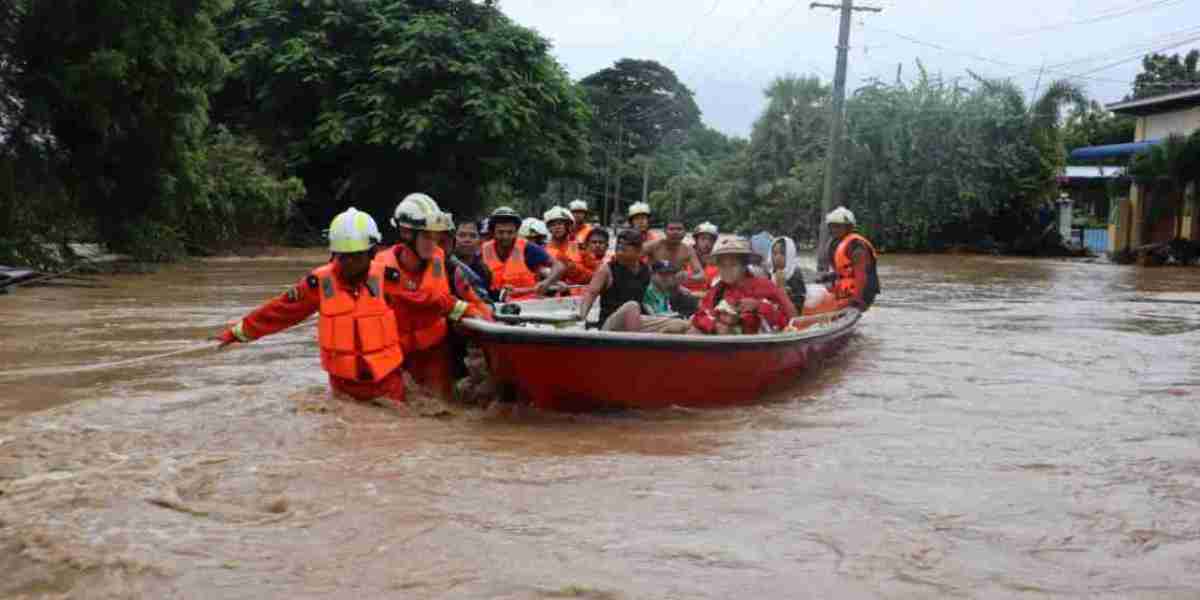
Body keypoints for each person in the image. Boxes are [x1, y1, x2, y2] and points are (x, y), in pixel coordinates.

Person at [214, 208, 409, 407]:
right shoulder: (319, 284)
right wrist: (238, 332)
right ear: (334, 254)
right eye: (343, 257)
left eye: (355, 256)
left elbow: (419, 312)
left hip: (387, 386)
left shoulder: (389, 279)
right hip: (344, 391)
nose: (348, 263)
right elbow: (281, 311)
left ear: (372, 252)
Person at [377, 193, 483, 401]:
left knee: (441, 406)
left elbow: (470, 301)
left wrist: (485, 319)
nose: (433, 243)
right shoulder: (377, 271)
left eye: (436, 237)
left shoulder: (448, 267)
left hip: (435, 353)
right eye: (427, 236)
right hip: (396, 356)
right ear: (406, 233)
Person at [578, 230, 689, 333]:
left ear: (639, 250)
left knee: (681, 324)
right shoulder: (607, 270)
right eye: (619, 244)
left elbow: (663, 283)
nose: (620, 246)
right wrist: (581, 320)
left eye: (625, 244)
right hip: (611, 324)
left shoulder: (645, 269)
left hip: (637, 321)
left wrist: (679, 288)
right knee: (632, 306)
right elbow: (590, 294)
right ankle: (635, 345)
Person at [690, 237, 798, 335]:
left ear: (743, 266)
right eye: (722, 265)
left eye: (733, 265)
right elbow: (700, 315)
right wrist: (716, 324)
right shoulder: (717, 289)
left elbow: (792, 319)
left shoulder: (765, 286)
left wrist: (758, 306)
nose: (727, 270)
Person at [481, 206, 564, 300]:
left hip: (527, 306)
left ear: (516, 232)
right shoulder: (482, 250)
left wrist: (547, 282)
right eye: (501, 232)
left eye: (510, 232)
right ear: (493, 233)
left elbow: (559, 266)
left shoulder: (528, 248)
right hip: (495, 304)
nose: (505, 236)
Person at [812, 206, 879, 312]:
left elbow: (861, 276)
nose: (834, 230)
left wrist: (856, 300)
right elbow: (845, 271)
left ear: (849, 227)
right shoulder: (836, 243)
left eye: (838, 226)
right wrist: (828, 277)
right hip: (846, 289)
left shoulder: (857, 248)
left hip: (862, 292)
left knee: (828, 308)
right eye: (832, 226)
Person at [643, 219, 704, 286]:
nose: (675, 232)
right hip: (651, 286)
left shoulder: (688, 249)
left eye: (679, 229)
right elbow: (632, 258)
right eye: (671, 229)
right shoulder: (653, 245)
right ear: (665, 231)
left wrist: (688, 277)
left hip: (674, 288)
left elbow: (701, 275)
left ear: (685, 232)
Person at [543, 206, 590, 286]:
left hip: (580, 292)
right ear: (549, 228)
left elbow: (592, 274)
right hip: (554, 295)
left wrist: (571, 266)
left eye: (560, 224)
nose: (557, 227)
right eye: (553, 225)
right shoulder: (544, 250)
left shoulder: (579, 247)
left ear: (568, 226)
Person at [683, 221, 720, 295]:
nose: (707, 243)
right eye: (703, 239)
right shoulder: (683, 256)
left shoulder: (717, 262)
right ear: (696, 240)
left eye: (711, 240)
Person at [770, 236, 807, 310]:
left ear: (790, 254)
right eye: (775, 253)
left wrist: (783, 290)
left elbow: (799, 304)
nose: (777, 257)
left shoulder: (794, 275)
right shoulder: (771, 273)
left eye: (782, 253)